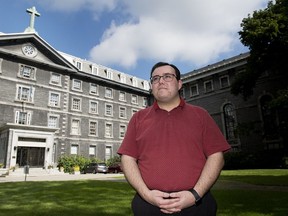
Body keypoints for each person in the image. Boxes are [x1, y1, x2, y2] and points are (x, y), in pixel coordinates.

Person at [117, 62, 231, 215]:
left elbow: (216, 156)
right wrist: (146, 194)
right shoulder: (138, 118)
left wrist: (195, 194)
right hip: (148, 206)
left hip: (197, 206)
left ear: (179, 84)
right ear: (151, 86)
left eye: (167, 76)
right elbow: (127, 159)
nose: (161, 81)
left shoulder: (201, 115)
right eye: (155, 78)